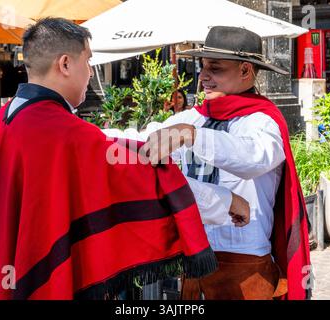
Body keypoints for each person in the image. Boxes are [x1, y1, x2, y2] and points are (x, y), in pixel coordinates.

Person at [0, 18, 251, 300]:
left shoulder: (7, 118)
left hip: (3, 269)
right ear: (65, 64)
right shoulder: (60, 131)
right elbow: (144, 177)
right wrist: (227, 201)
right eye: (88, 61)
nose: (89, 71)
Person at [109, 26, 312, 300]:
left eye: (215, 69)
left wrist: (192, 136)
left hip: (244, 264)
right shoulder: (193, 118)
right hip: (196, 258)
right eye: (202, 67)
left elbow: (251, 158)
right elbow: (141, 141)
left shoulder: (262, 121)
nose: (203, 77)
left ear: (245, 71)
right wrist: (84, 135)